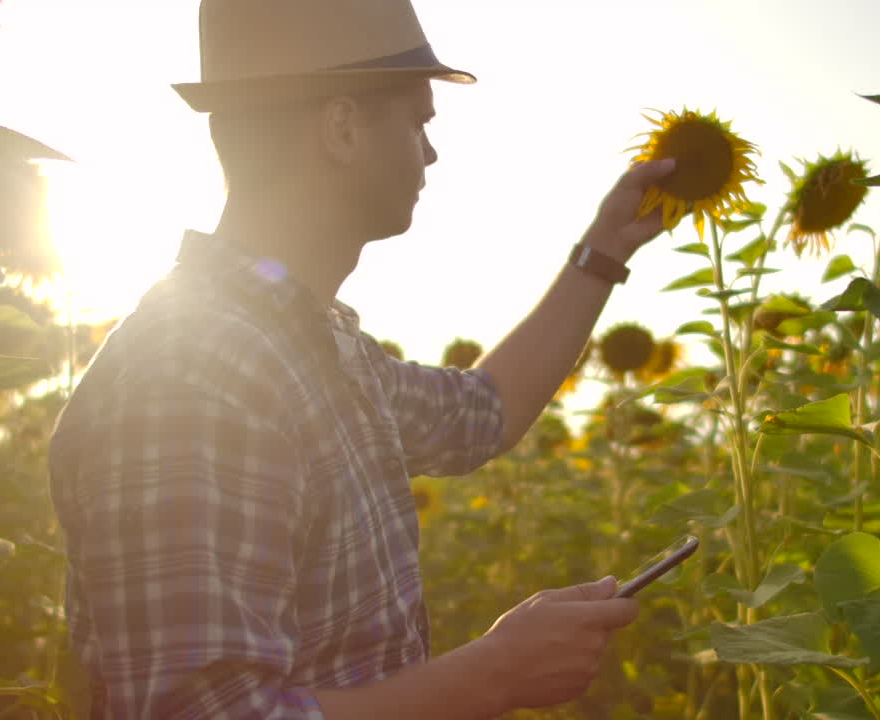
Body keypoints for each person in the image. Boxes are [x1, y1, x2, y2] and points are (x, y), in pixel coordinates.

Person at [47, 1, 679, 718]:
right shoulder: (193, 376)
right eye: (419, 121)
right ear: (343, 128)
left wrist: (604, 251)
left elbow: (483, 411)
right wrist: (493, 675)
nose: (431, 152)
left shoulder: (307, 345)